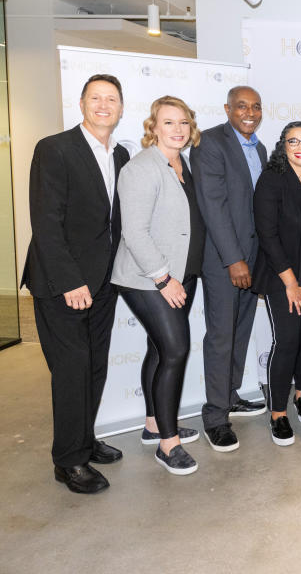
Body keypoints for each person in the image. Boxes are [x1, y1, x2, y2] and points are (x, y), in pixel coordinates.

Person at [22, 74, 130, 493]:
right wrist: (70, 280)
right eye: (96, 98)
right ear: (81, 103)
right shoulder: (55, 149)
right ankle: (68, 462)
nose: (104, 105)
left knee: (94, 366)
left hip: (103, 280)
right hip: (61, 282)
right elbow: (46, 223)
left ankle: (83, 439)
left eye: (112, 99)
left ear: (121, 108)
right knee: (71, 370)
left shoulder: (119, 154)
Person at [111, 96, 205, 475]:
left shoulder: (183, 163)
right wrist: (164, 278)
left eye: (183, 122)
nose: (178, 129)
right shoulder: (141, 168)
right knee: (176, 350)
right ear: (153, 127)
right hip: (149, 279)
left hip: (183, 273)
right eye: (168, 123)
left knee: (159, 348)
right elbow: (134, 231)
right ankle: (168, 445)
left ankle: (154, 424)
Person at [192, 86, 268, 452]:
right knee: (221, 337)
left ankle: (231, 395)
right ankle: (215, 416)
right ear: (227, 109)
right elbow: (213, 206)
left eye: (255, 107)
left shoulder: (261, 148)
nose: (249, 112)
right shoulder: (209, 143)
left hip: (253, 257)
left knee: (240, 332)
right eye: (241, 106)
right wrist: (233, 259)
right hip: (226, 260)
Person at [252, 121, 301, 446]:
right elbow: (267, 235)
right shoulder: (272, 179)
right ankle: (278, 413)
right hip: (281, 275)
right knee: (288, 340)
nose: (300, 146)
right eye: (293, 140)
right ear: (283, 145)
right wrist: (291, 282)